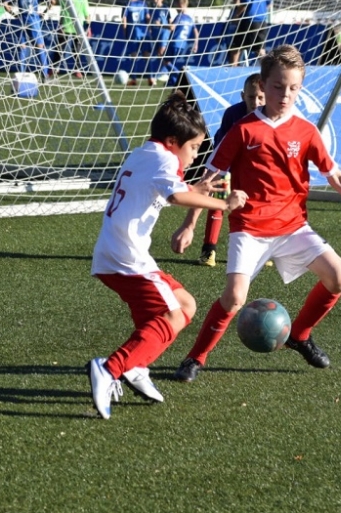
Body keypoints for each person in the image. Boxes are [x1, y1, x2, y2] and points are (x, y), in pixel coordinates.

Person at [169, 44, 341, 383]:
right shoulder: (243, 129)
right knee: (234, 298)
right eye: (278, 87)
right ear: (263, 85)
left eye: (293, 88)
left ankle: (299, 336)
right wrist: (189, 225)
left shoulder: (306, 131)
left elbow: (334, 175)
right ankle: (195, 358)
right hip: (249, 228)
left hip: (293, 227)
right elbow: (210, 179)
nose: (285, 95)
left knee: (339, 276)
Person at [87, 91, 248, 419]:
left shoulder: (144, 152)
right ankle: (110, 368)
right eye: (194, 147)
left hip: (117, 253)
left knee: (185, 305)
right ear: (173, 142)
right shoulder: (165, 160)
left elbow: (165, 187)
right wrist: (224, 204)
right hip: (126, 258)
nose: (195, 155)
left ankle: (136, 366)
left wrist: (194, 189)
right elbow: (174, 196)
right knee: (174, 316)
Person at [197, 72, 265, 268]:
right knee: (218, 198)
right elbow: (222, 148)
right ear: (243, 96)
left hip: (252, 168)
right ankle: (208, 249)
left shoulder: (271, 115)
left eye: (260, 97)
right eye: (251, 97)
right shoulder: (232, 114)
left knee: (255, 205)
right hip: (226, 163)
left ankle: (257, 251)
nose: (256, 102)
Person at [3, 0, 52, 79]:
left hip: (22, 19)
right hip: (34, 19)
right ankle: (45, 74)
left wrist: (15, 15)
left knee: (22, 46)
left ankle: (21, 74)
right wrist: (43, 13)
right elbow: (51, 1)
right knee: (40, 46)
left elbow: (5, 5)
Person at [228, 0, 271, 67]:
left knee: (235, 48)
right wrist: (260, 10)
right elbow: (269, 1)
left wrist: (236, 16)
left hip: (250, 20)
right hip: (262, 21)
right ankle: (268, 70)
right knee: (260, 50)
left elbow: (245, 3)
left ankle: (232, 71)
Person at [56, 0, 90, 78]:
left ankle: (77, 69)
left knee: (77, 51)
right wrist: (60, 25)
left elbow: (87, 15)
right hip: (66, 26)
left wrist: (88, 28)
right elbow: (62, 13)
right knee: (59, 49)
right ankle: (54, 69)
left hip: (78, 27)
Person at [163, 0, 198, 88]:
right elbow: (196, 32)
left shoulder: (179, 17)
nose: (175, 7)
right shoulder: (190, 19)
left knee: (166, 61)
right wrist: (196, 44)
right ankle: (172, 81)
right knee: (172, 62)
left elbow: (172, 27)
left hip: (174, 42)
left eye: (176, 5)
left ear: (181, 5)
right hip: (182, 45)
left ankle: (180, 76)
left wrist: (160, 25)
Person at [119, 0, 147, 85]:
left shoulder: (127, 4)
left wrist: (125, 33)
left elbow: (124, 20)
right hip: (143, 32)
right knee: (146, 55)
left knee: (134, 55)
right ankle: (151, 78)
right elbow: (148, 17)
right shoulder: (143, 4)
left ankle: (134, 78)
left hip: (133, 33)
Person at [146, 0, 171, 85]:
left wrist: (163, 26)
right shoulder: (152, 10)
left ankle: (163, 74)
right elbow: (150, 22)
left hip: (164, 33)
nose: (155, 1)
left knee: (161, 53)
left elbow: (170, 22)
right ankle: (165, 73)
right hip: (155, 34)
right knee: (159, 55)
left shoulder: (165, 8)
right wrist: (150, 29)